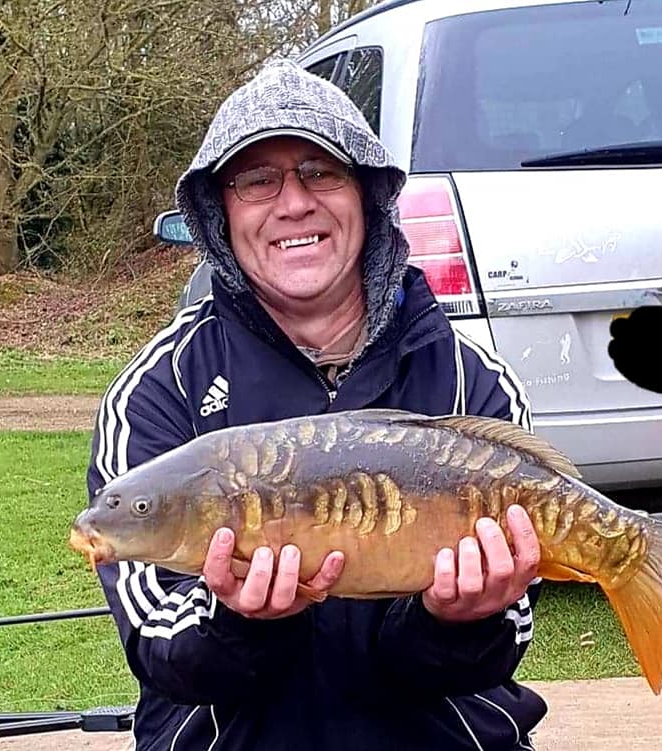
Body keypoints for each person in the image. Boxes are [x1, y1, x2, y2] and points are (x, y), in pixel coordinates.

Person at [85, 57, 548, 751]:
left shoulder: (471, 381)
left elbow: (506, 637)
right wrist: (239, 623)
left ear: (366, 195)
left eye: (320, 172)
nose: (294, 203)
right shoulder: (159, 390)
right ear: (219, 212)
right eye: (257, 180)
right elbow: (160, 646)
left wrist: (454, 621)